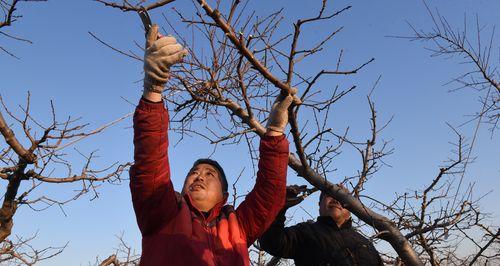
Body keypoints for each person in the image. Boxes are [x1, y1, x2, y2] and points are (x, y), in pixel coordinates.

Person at [130, 24, 296, 266]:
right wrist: (153, 90)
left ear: (225, 195)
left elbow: (269, 194)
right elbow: (150, 164)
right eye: (194, 173)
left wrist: (274, 133)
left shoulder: (239, 226)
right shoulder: (163, 212)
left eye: (210, 174)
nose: (199, 177)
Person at [259, 185, 383, 266]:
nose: (335, 200)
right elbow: (270, 242)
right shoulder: (304, 232)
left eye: (341, 197)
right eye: (330, 195)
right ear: (319, 204)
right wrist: (279, 207)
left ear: (351, 207)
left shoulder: (365, 242)